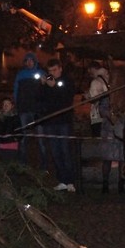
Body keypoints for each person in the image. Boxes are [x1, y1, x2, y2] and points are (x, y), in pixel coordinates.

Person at [38, 58, 76, 192]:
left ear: (60, 68)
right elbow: (41, 100)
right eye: (49, 71)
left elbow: (67, 98)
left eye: (54, 70)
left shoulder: (67, 81)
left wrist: (54, 87)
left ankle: (70, 180)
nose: (52, 73)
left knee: (65, 150)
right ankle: (62, 180)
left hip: (63, 122)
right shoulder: (47, 82)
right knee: (55, 152)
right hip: (50, 122)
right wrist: (43, 85)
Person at [13, 52, 47, 168]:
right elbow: (16, 91)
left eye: (31, 60)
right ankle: (23, 163)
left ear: (35, 61)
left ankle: (44, 164)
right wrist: (17, 105)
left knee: (41, 138)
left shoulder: (41, 73)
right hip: (24, 109)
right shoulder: (20, 75)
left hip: (37, 110)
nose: (29, 62)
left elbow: (49, 87)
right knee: (23, 137)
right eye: (26, 60)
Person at [86, 61, 109, 137]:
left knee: (97, 136)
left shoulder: (95, 82)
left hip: (97, 114)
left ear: (92, 69)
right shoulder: (108, 77)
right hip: (108, 113)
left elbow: (93, 98)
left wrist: (87, 96)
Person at [0, 97, 20, 163]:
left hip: (12, 146)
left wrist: (15, 139)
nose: (5, 106)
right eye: (4, 104)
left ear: (12, 106)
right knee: (3, 165)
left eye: (7, 104)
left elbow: (19, 132)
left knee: (11, 166)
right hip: (1, 146)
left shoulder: (15, 117)